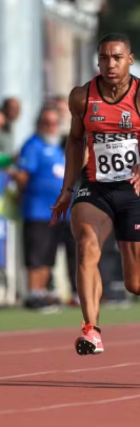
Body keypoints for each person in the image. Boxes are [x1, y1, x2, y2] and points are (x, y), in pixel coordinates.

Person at [50, 33, 140, 355]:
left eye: (117, 57)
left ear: (130, 59)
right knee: (87, 246)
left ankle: (111, 293)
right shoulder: (82, 96)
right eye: (104, 58)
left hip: (134, 190)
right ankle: (91, 329)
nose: (110, 64)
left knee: (138, 285)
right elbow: (75, 141)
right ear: (97, 61)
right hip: (95, 187)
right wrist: (67, 189)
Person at [13, 106, 68, 312]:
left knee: (48, 254)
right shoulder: (33, 145)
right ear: (39, 124)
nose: (51, 127)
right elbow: (23, 176)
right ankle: (33, 293)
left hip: (56, 211)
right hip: (37, 209)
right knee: (35, 253)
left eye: (54, 123)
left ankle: (42, 292)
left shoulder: (56, 148)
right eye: (47, 123)